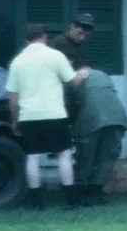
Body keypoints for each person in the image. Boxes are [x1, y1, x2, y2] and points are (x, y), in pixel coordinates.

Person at [6, 22, 89, 210]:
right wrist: (83, 73)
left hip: (28, 116)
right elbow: (73, 81)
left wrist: (15, 120)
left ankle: (36, 202)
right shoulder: (55, 56)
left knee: (33, 157)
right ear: (45, 37)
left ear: (26, 40)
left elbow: (13, 96)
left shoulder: (17, 62)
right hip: (54, 114)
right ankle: (71, 200)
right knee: (64, 154)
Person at [70, 58, 127, 207]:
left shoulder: (74, 77)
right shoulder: (102, 75)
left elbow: (71, 104)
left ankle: (81, 193)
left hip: (92, 118)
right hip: (117, 117)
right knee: (106, 157)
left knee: (86, 156)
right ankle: (96, 193)